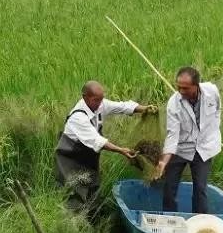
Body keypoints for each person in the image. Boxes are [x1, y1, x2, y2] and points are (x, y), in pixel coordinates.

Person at [54, 80, 157, 218]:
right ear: (85, 97)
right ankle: (73, 227)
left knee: (93, 189)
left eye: (101, 99)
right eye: (96, 100)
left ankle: (93, 223)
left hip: (87, 157)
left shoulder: (100, 104)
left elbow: (123, 107)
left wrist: (144, 108)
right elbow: (98, 141)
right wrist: (122, 150)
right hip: (70, 159)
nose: (100, 103)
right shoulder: (78, 117)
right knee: (76, 193)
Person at [153, 67, 222, 214]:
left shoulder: (212, 91)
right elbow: (172, 134)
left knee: (200, 188)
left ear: (196, 85)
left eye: (185, 88)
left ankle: (200, 222)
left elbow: (217, 110)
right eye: (179, 87)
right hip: (180, 148)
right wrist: (164, 161)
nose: (181, 91)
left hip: (204, 147)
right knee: (170, 186)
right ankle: (170, 218)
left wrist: (213, 130)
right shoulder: (174, 103)